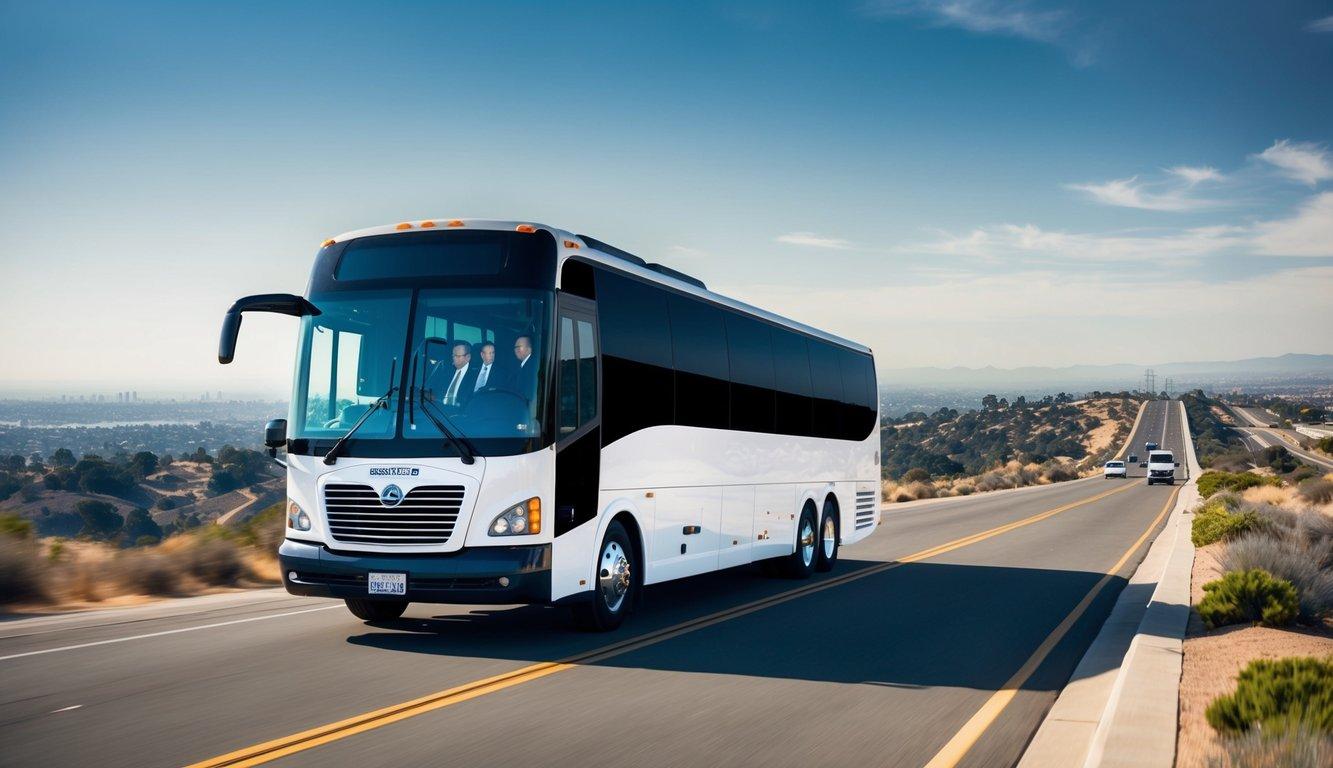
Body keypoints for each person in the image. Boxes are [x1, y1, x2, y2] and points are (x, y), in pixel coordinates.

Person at [439, 341, 478, 407]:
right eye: (453, 355)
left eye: (457, 356)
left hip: (460, 413)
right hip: (438, 409)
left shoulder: (475, 377)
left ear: (468, 357)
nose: (454, 358)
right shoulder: (447, 372)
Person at [508, 334, 538, 403]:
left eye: (519, 347)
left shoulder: (532, 367)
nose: (516, 350)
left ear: (529, 349)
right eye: (515, 347)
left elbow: (528, 394)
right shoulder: (522, 366)